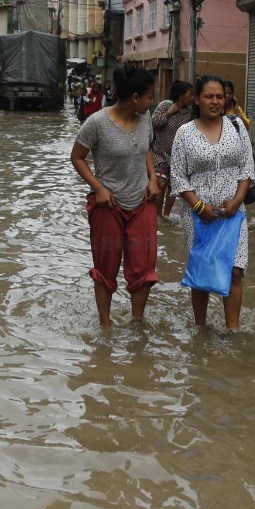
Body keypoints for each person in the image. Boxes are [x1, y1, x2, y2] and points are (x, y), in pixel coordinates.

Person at [70, 62, 161, 327]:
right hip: (108, 205)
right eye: (149, 97)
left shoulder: (145, 119)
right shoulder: (96, 123)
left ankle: (136, 323)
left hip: (142, 203)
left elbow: (147, 150)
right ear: (134, 98)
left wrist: (153, 179)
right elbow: (77, 157)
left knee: (144, 268)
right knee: (106, 267)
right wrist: (98, 188)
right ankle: (105, 324)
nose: (151, 102)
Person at [170, 74, 255, 329]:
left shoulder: (238, 127)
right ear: (197, 99)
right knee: (201, 273)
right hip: (197, 215)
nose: (216, 101)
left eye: (220, 96)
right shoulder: (184, 134)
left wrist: (236, 201)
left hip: (233, 213)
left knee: (235, 271)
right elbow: (178, 175)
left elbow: (246, 169)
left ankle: (233, 330)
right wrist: (199, 207)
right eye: (209, 96)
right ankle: (201, 328)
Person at [150, 80, 195, 217]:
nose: (192, 98)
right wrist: (169, 113)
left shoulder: (189, 114)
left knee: (173, 188)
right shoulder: (165, 105)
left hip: (177, 156)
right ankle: (157, 216)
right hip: (159, 152)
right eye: (190, 94)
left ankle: (166, 217)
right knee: (161, 183)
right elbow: (154, 123)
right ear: (181, 96)